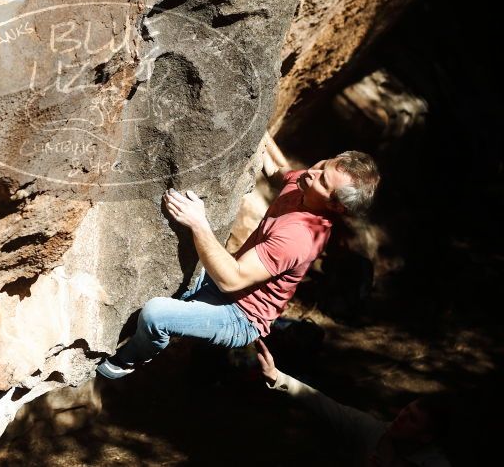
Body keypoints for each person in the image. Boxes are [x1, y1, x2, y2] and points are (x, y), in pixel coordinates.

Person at [96, 134, 380, 379]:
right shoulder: (306, 187)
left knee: (157, 313)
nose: (311, 173)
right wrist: (259, 122)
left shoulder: (300, 236)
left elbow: (233, 280)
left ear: (336, 206)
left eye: (322, 180)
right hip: (226, 279)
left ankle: (130, 360)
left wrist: (198, 222)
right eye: (322, 166)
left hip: (241, 315)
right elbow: (278, 169)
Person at [256, 339, 452, 466]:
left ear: (425, 437)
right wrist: (277, 377)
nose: (401, 417)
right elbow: (324, 404)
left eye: (412, 419)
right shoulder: (374, 432)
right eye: (406, 410)